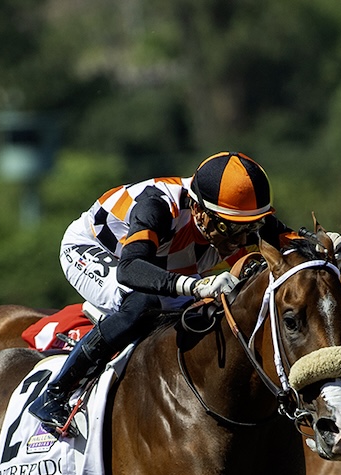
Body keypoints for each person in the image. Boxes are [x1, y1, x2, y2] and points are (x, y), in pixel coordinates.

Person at [29, 150, 299, 435]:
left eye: (250, 227)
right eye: (228, 228)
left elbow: (296, 247)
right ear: (199, 210)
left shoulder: (236, 215)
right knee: (141, 304)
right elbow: (130, 270)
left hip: (158, 260)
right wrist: (195, 286)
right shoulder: (156, 206)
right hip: (100, 251)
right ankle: (55, 394)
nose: (242, 239)